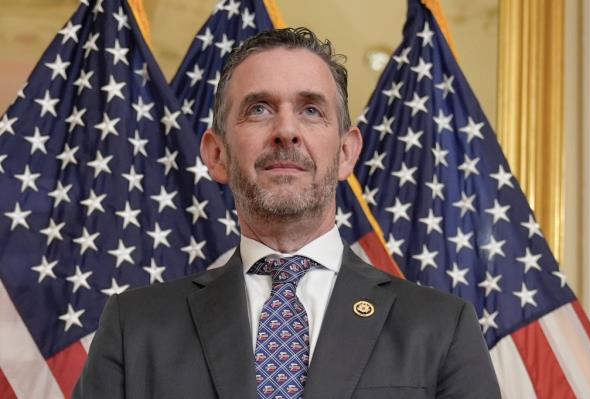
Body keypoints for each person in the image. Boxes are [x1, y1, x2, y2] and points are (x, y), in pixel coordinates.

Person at [74, 27, 501, 399]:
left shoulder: (442, 327)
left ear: (347, 152)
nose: (286, 131)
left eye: (311, 110)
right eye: (258, 109)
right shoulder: (135, 328)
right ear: (217, 154)